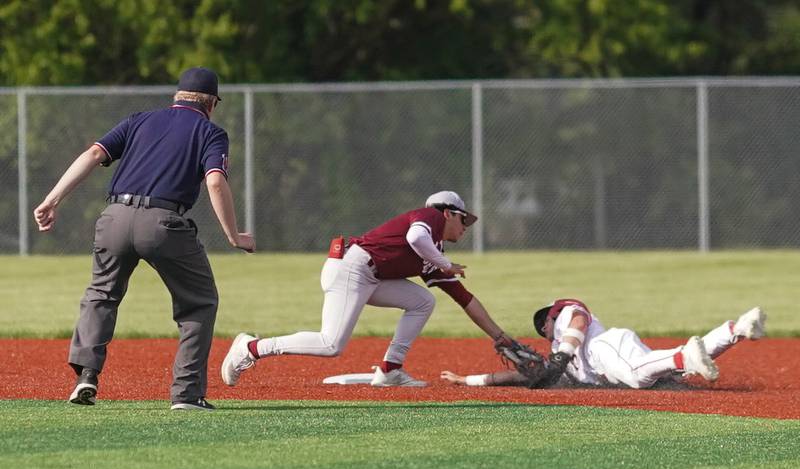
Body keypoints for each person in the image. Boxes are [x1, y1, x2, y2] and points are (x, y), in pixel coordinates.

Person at [34, 67, 255, 411]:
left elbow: (93, 155)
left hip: (114, 218)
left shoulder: (139, 120)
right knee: (199, 302)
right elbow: (214, 182)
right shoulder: (210, 132)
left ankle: (86, 377)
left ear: (176, 97)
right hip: (164, 224)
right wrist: (234, 236)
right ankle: (186, 395)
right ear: (212, 103)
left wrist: (52, 199)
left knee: (101, 295)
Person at [221, 191, 516, 387]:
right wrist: (445, 262)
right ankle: (251, 348)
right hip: (351, 267)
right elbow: (415, 237)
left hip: (369, 276)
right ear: (449, 212)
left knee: (423, 300)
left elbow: (465, 299)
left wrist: (501, 338)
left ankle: (390, 370)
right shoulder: (431, 218)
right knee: (331, 344)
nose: (466, 226)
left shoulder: (434, 252)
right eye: (464, 219)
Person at [441, 299, 766, 389]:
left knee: (640, 377)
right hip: (614, 358)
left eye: (545, 326)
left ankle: (683, 358)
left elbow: (579, 321)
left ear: (550, 318)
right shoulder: (559, 364)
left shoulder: (565, 313)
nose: (544, 332)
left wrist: (563, 352)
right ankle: (737, 328)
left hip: (605, 347)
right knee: (658, 371)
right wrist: (467, 380)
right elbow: (519, 377)